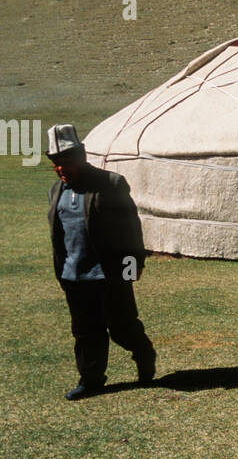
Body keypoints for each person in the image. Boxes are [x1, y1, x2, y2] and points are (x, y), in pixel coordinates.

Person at [47, 124, 157, 400]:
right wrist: (61, 271)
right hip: (74, 274)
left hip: (109, 273)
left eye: (67, 163)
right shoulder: (55, 191)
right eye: (56, 164)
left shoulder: (110, 184)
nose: (62, 169)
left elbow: (131, 226)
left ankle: (143, 352)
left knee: (122, 327)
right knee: (85, 331)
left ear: (82, 157)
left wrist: (133, 266)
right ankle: (91, 379)